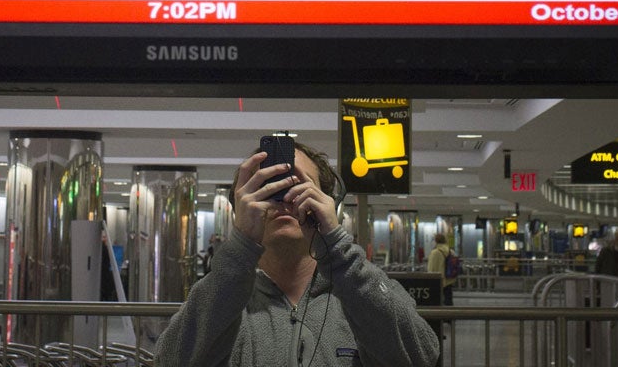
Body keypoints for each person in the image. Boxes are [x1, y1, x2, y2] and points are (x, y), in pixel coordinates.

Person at [154, 141, 439, 367]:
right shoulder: (224, 299)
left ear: (328, 204)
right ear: (240, 207)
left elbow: (420, 355)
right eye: (267, 187)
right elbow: (170, 360)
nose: (284, 199)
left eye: (296, 186)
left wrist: (337, 245)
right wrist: (240, 245)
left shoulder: (356, 293)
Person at [426, 233, 455, 305]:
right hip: (449, 280)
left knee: (436, 301)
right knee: (448, 300)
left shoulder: (434, 253)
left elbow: (431, 268)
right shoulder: (451, 251)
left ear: (436, 241)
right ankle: (450, 314)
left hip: (437, 281)